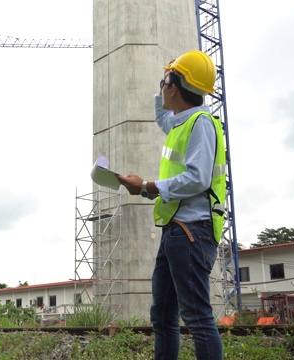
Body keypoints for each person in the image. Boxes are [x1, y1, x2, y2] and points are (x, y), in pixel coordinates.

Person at [116, 50, 226, 360]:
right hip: (176, 231)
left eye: (166, 83)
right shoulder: (182, 123)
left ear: (174, 88)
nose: (162, 87)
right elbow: (164, 116)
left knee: (197, 318)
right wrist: (164, 82)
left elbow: (198, 178)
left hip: (191, 232)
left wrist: (148, 187)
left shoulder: (201, 124)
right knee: (162, 317)